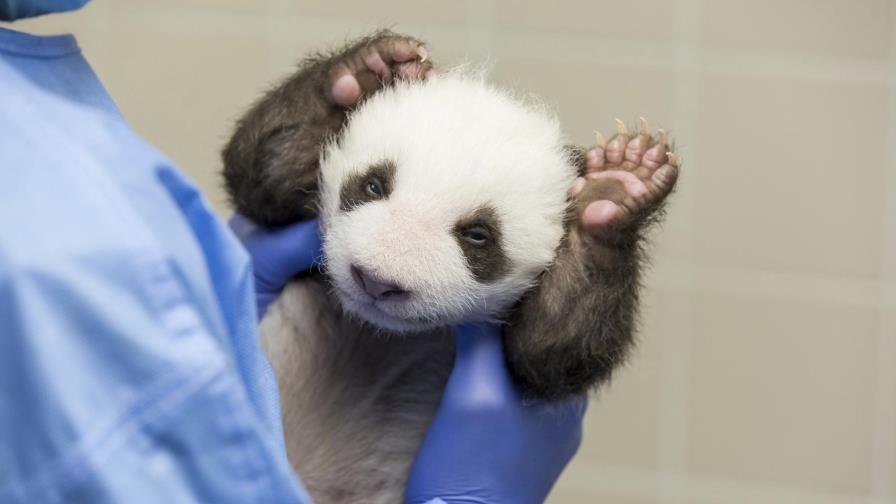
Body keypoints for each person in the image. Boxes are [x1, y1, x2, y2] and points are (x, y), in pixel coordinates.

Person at [0, 1, 585, 503]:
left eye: (476, 236)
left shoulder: (33, 106)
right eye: (374, 187)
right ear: (333, 152)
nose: (384, 267)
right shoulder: (47, 251)